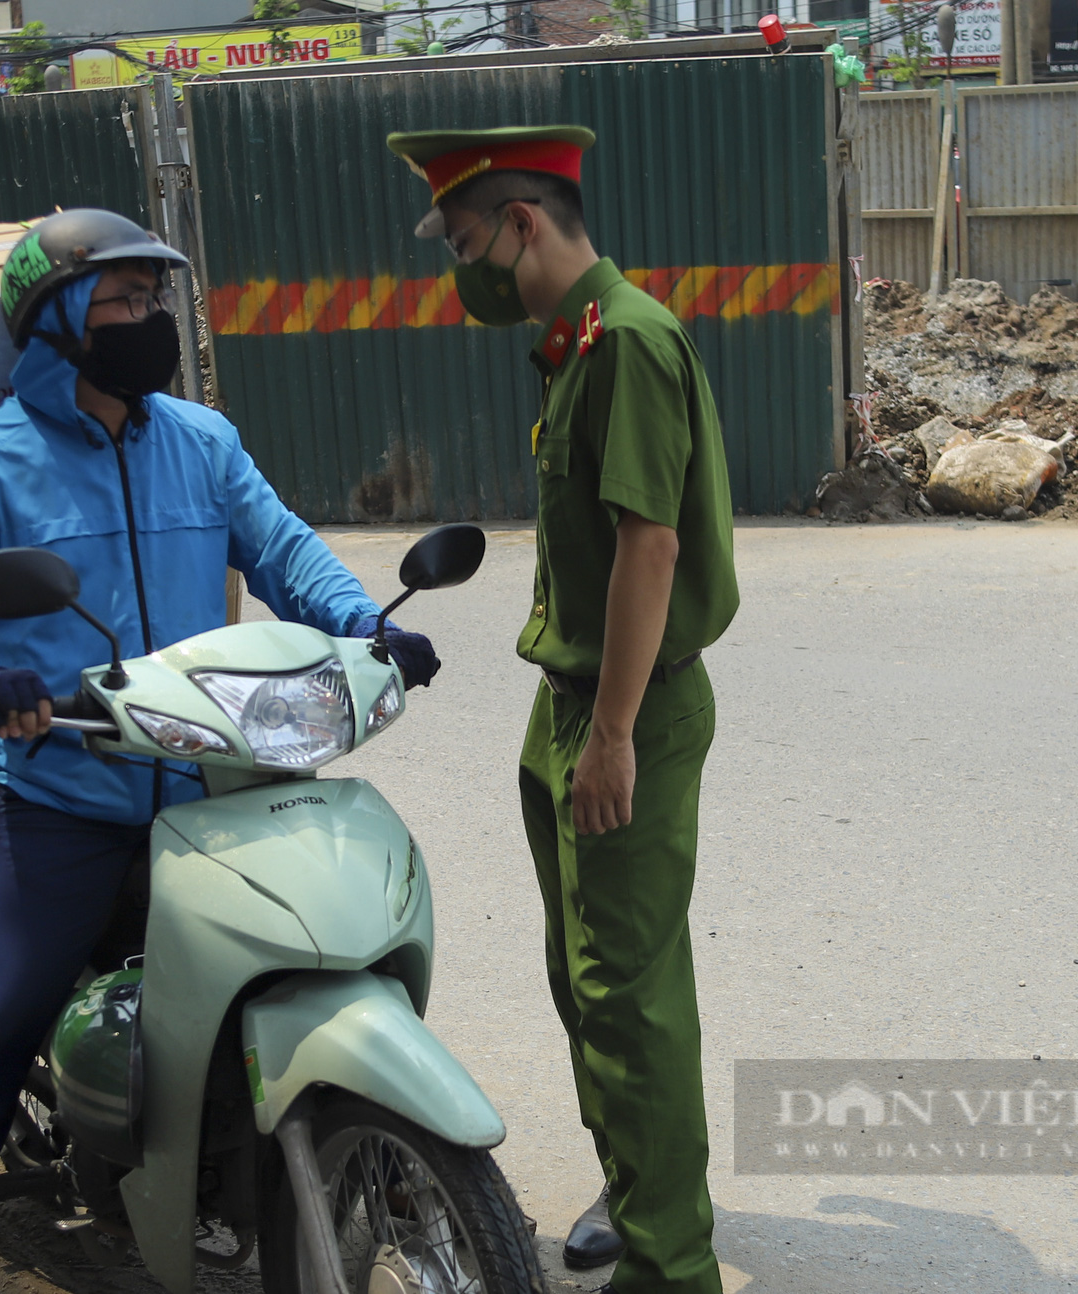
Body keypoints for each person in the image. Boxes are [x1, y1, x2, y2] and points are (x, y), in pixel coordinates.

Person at [0, 208, 438, 1294]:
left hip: (216, 784)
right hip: (70, 797)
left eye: (155, 301)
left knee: (315, 948)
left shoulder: (200, 441)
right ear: (55, 322)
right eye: (123, 303)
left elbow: (279, 546)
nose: (149, 322)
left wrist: (365, 622)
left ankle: (365, 1162)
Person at [382, 127, 739, 1294]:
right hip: (572, 702)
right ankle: (635, 1188)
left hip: (619, 708)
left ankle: (667, 1263)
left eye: (465, 238)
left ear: (522, 224)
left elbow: (650, 546)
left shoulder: (626, 341)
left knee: (628, 995)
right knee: (582, 977)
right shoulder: (575, 345)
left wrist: (614, 735)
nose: (460, 263)